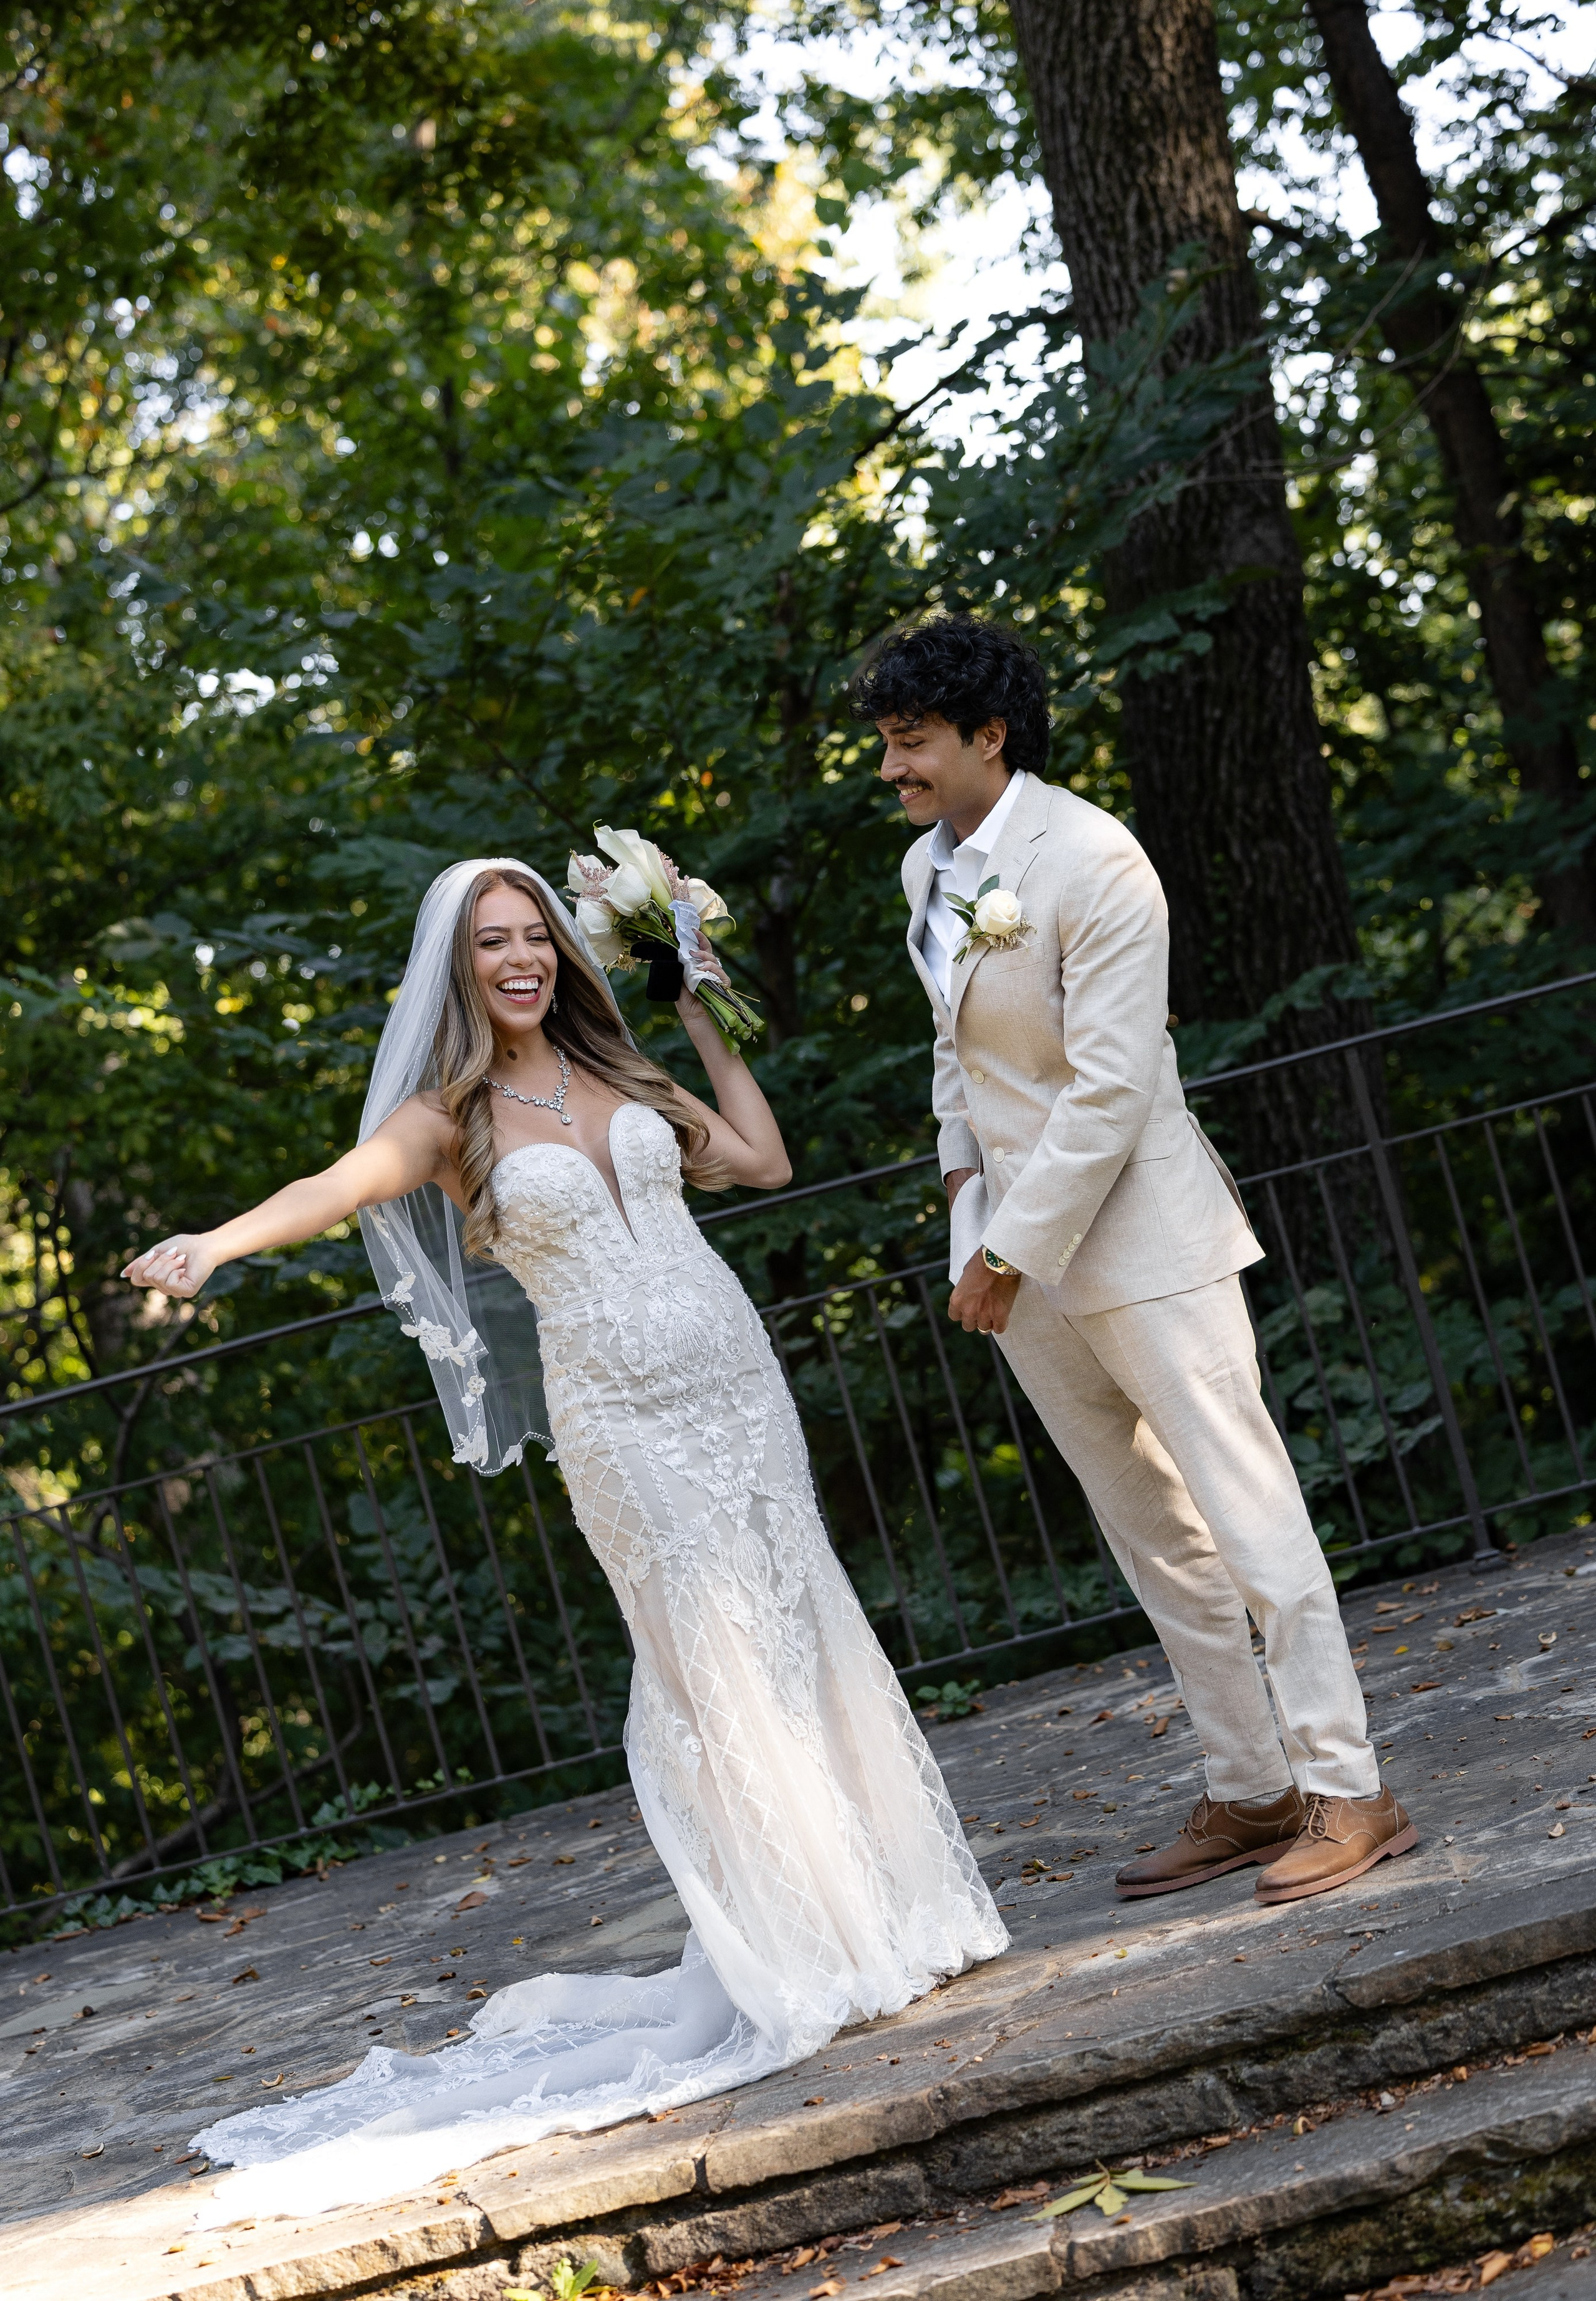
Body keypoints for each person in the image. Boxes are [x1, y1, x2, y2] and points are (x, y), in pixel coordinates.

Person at [122, 855, 1005, 2223]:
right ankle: (793, 1938)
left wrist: (699, 1002)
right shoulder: (449, 1114)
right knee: (707, 1658)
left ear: (570, 954)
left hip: (733, 1383)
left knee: (796, 1622)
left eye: (537, 935)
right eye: (494, 941)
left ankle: (887, 1907)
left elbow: (761, 1158)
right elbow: (341, 1180)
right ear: (458, 969)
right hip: (622, 1422)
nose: (520, 957)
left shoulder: (630, 1072)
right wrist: (216, 1245)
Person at [852, 615, 1413, 1908]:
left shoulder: (1095, 858)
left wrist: (1002, 1249)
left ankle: (1348, 1791)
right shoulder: (921, 874)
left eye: (910, 743)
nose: (892, 770)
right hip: (1019, 1260)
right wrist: (965, 1220)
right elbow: (959, 1064)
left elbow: (1110, 1090)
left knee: (1251, 1519)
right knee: (1151, 1539)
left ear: (988, 736)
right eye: (887, 745)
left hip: (1142, 1241)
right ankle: (1248, 1787)